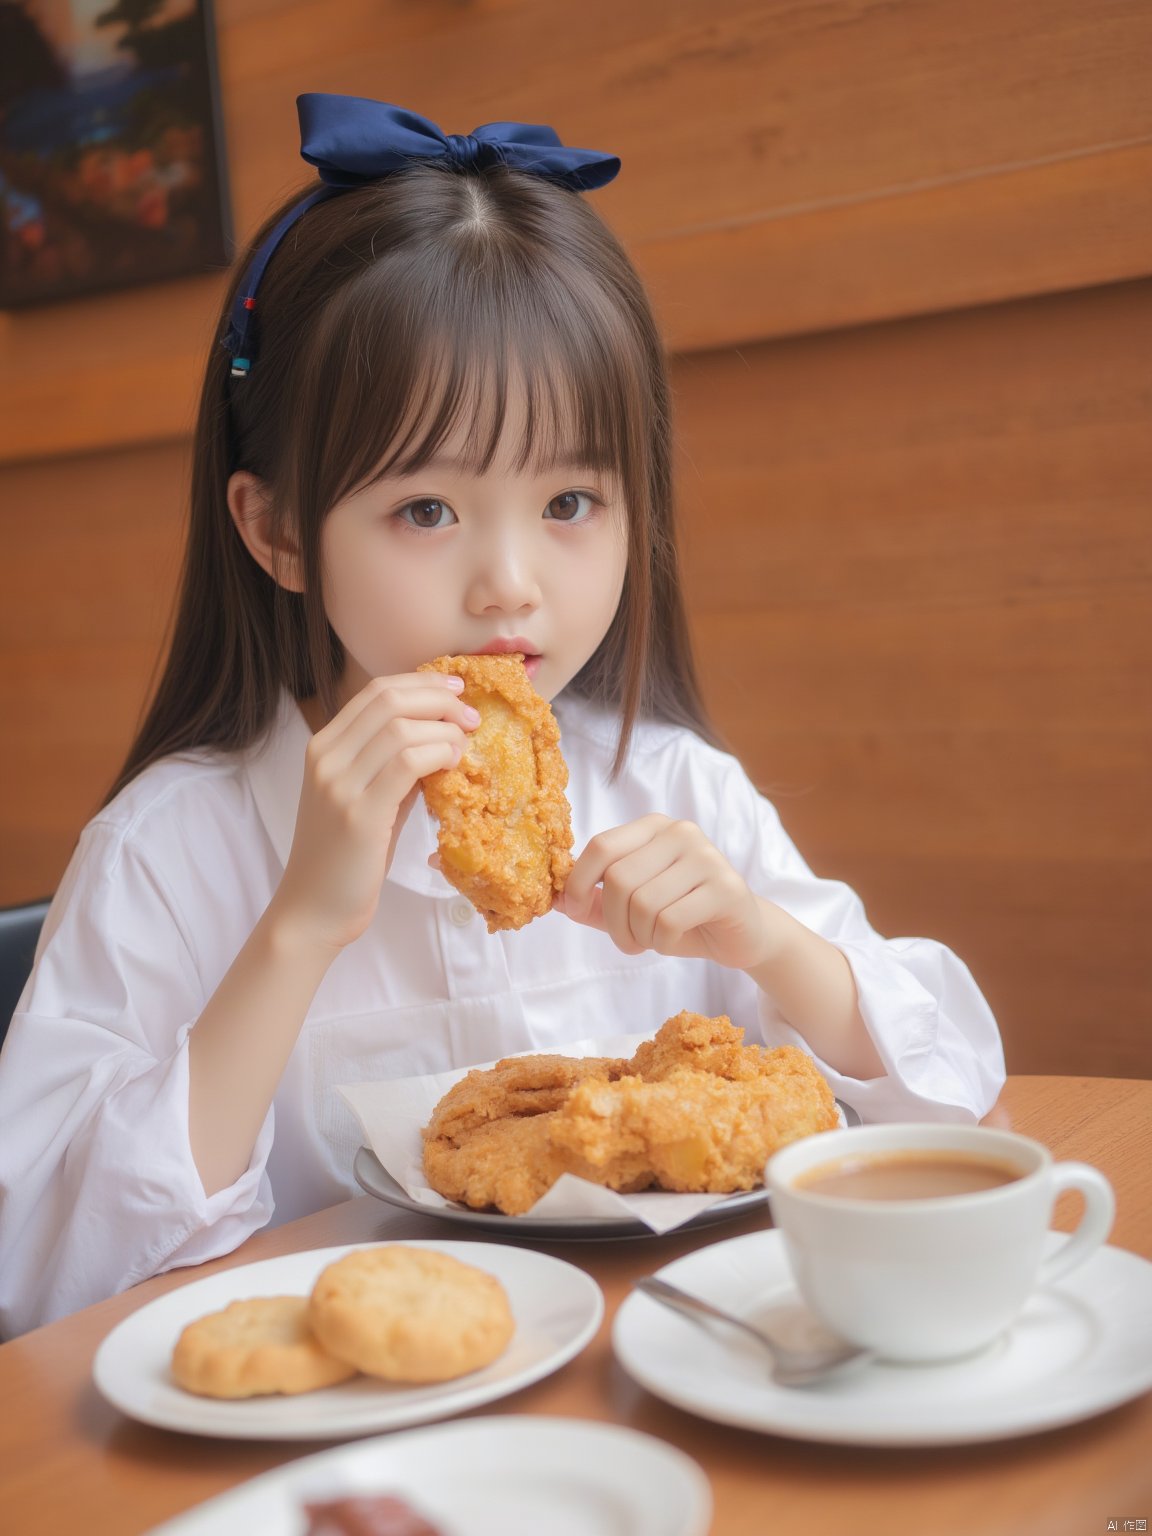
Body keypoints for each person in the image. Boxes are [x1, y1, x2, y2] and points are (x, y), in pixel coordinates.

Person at [0, 96, 1004, 1336]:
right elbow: (42, 1270)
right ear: (274, 531)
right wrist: (299, 929)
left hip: (666, 1366)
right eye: (427, 510)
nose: (513, 583)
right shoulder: (167, 853)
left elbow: (951, 1102)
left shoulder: (672, 786)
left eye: (573, 500)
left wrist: (761, 939)